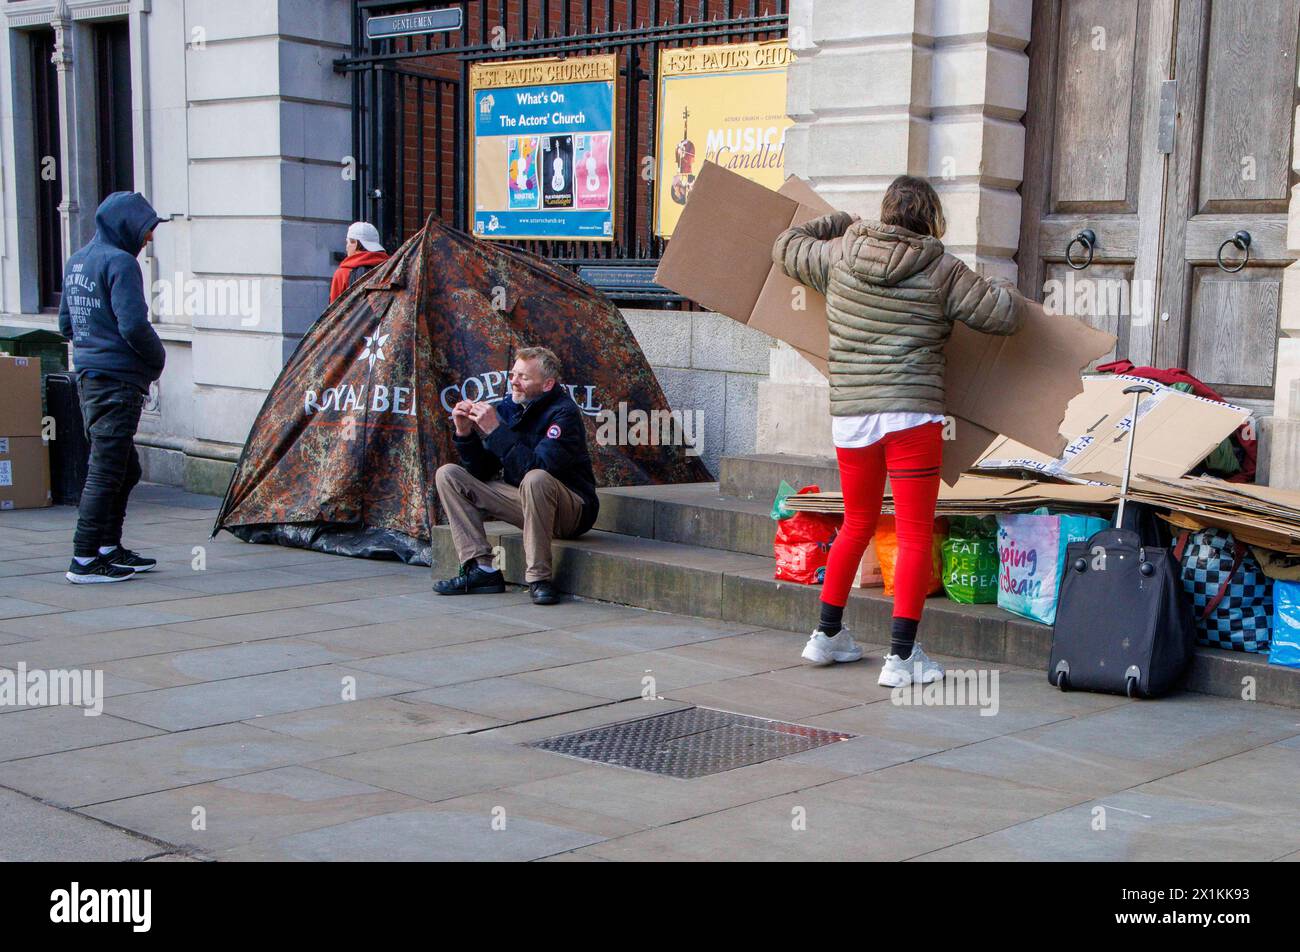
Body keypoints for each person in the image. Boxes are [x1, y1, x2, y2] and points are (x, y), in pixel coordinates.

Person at [773, 175, 1023, 686]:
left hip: (853, 414)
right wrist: (1004, 286)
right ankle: (902, 659)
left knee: (856, 523)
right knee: (912, 533)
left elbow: (785, 246)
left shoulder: (839, 254)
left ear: (884, 212)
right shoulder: (939, 267)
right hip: (912, 415)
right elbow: (1004, 316)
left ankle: (826, 635)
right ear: (932, 220)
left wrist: (835, 221)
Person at [433, 346, 599, 606]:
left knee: (536, 478)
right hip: (525, 501)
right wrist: (464, 434)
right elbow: (482, 472)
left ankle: (539, 578)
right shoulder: (508, 407)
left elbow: (538, 467)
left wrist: (496, 430)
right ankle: (482, 570)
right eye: (513, 374)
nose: (513, 381)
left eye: (523, 377)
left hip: (570, 511)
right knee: (449, 475)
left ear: (547, 384)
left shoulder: (563, 414)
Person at [58, 192, 166, 583]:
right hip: (117, 380)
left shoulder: (77, 261)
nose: (148, 239)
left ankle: (107, 547)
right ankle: (85, 557)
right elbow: (134, 325)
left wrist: (91, 348)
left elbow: (66, 325)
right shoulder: (120, 263)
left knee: (125, 467)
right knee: (105, 470)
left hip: (89, 377)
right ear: (127, 227)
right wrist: (156, 361)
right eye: (146, 231)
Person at [329, 222, 389, 302]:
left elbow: (333, 310)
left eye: (348, 242)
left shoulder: (343, 274)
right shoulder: (390, 268)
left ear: (355, 243)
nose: (346, 247)